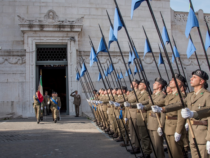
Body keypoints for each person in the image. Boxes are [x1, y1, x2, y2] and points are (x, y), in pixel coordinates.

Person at [162, 70, 210, 158]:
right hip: (192, 134)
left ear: (202, 81)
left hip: (203, 134)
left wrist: (209, 139)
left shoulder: (207, 95)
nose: (191, 79)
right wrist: (163, 109)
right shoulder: (190, 95)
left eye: (194, 77)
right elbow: (180, 104)